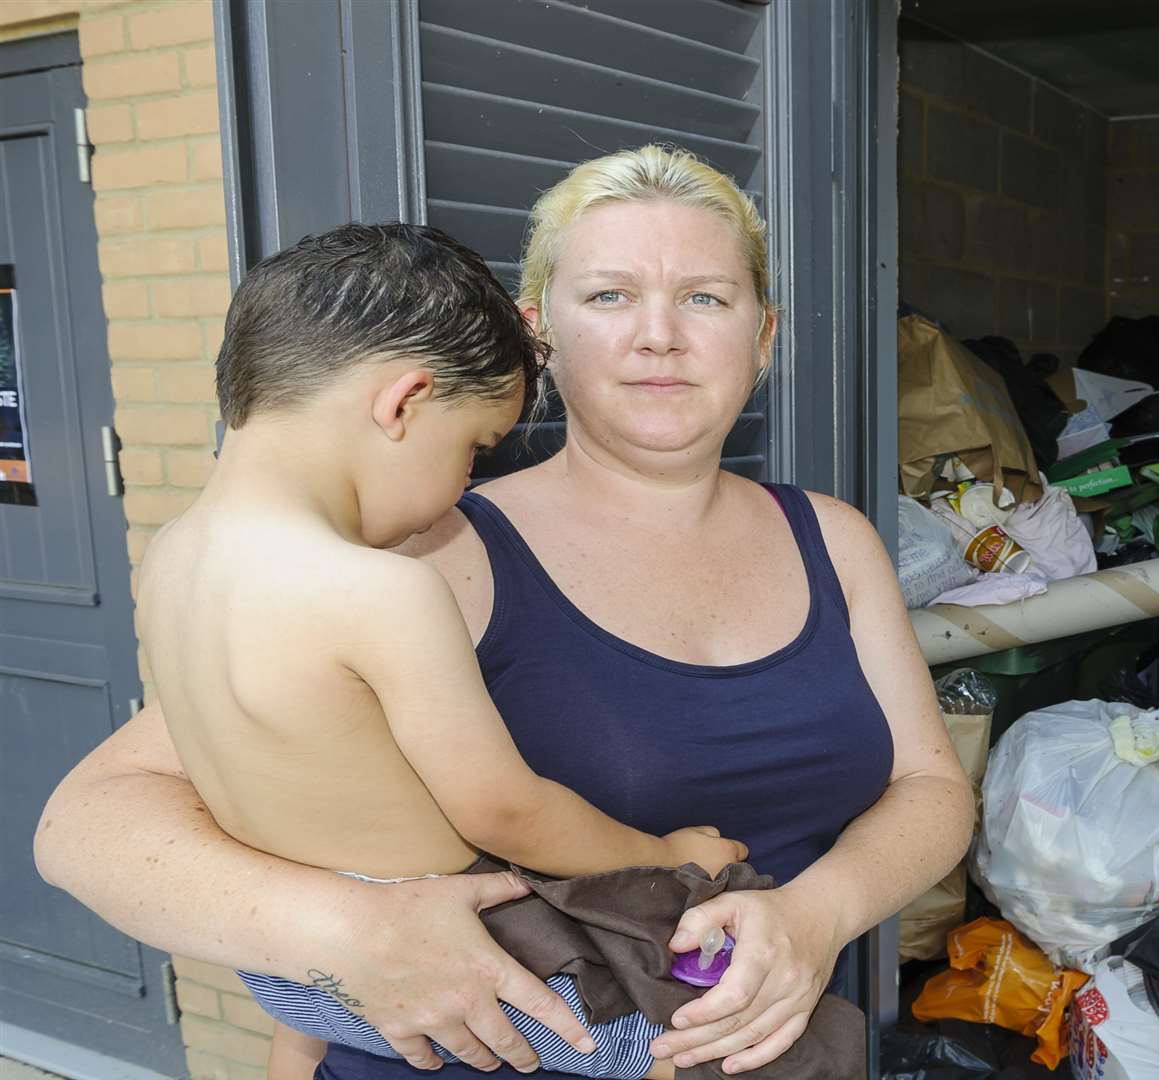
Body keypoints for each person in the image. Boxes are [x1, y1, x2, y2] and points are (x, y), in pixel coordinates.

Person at [35, 145, 975, 1079]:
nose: (660, 335)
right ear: (540, 334)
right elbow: (92, 824)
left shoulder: (835, 538)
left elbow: (932, 792)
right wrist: (350, 933)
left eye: (705, 297)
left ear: (762, 335)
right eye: (609, 296)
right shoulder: (423, 547)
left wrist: (818, 917)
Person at [136, 220, 754, 1080]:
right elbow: (507, 812)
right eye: (472, 448)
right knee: (710, 1040)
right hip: (469, 958)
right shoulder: (380, 590)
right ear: (402, 404)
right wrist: (667, 850)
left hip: (294, 975)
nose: (462, 487)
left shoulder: (169, 559)